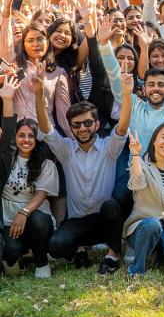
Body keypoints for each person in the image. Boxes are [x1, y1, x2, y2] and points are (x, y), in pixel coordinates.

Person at [35, 63, 133, 274]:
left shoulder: (109, 148)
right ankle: (80, 248)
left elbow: (123, 126)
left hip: (104, 220)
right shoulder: (66, 150)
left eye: (88, 123)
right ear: (71, 128)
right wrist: (38, 94)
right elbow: (45, 128)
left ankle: (113, 254)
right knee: (56, 246)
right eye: (77, 125)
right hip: (78, 221)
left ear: (97, 125)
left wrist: (126, 95)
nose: (82, 129)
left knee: (112, 207)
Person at [100, 15, 164, 154]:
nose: (156, 88)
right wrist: (104, 44)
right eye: (151, 84)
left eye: (161, 84)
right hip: (138, 174)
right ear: (143, 88)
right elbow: (115, 79)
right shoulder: (135, 106)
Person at [0, 76, 58, 278]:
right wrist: (7, 99)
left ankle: (42, 262)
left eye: (30, 136)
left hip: (35, 216)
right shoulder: (8, 159)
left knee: (38, 220)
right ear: (15, 138)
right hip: (8, 220)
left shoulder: (45, 163)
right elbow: (6, 133)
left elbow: (42, 194)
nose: (26, 140)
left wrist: (24, 212)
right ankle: (22, 253)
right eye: (21, 135)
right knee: (11, 254)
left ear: (37, 139)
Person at [124, 124, 164, 276]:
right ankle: (137, 270)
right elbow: (137, 184)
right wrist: (135, 155)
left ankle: (157, 254)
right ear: (154, 141)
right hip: (143, 227)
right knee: (152, 224)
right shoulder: (140, 164)